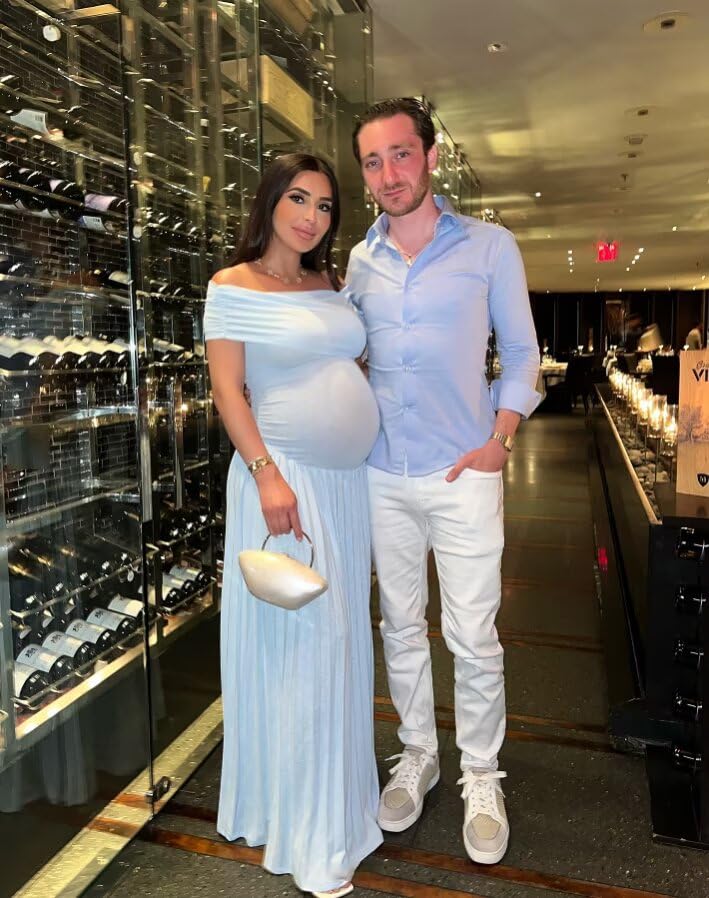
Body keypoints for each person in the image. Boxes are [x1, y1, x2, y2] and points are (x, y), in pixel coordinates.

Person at [346, 98, 540, 865]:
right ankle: (418, 754)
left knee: (471, 635)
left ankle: (481, 775)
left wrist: (500, 439)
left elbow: (520, 353)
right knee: (399, 626)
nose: (388, 173)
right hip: (380, 473)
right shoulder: (358, 260)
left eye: (400, 154)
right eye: (372, 161)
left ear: (429, 156)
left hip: (464, 471)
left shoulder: (489, 246)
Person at [204, 153, 382, 898]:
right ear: (271, 202)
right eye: (299, 199)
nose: (312, 217)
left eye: (325, 206)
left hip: (344, 487)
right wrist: (266, 473)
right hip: (284, 484)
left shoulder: (329, 283)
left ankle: (337, 806)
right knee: (304, 648)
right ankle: (310, 836)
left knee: (339, 647)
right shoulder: (231, 285)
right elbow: (227, 389)